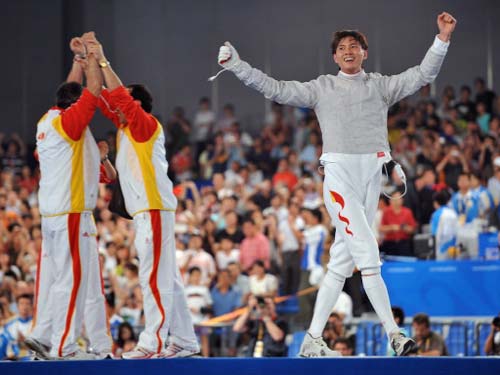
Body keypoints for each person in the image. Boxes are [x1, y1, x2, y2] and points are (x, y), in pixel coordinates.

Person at [216, 11, 457, 357]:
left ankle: (312, 339)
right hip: (339, 178)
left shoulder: (381, 86)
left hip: (372, 177)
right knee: (369, 255)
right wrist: (238, 66)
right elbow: (276, 89)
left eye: (355, 46)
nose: (348, 51)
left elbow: (423, 75)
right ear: (334, 56)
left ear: (364, 53)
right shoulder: (321, 88)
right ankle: (394, 333)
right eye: (342, 47)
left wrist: (442, 39)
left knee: (341, 264)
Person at [83, 33, 199, 359]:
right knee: (168, 279)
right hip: (147, 211)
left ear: (136, 104)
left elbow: (117, 96)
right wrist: (87, 59)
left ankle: (153, 343)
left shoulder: (145, 124)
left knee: (153, 278)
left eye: (125, 102)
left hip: (153, 208)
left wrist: (103, 57)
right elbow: (102, 98)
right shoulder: (125, 128)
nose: (116, 108)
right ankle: (186, 341)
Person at [25, 38, 107, 360]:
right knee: (72, 280)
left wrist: (76, 60)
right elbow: (94, 90)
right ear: (75, 107)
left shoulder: (48, 120)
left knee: (54, 280)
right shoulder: (71, 123)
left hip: (52, 214)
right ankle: (64, 346)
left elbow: (69, 92)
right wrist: (92, 57)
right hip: (71, 212)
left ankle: (43, 336)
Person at [379, 191, 417, 257]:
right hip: (390, 244)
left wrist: (405, 228)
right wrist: (392, 227)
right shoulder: (386, 212)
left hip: (403, 243)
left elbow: (413, 229)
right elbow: (381, 228)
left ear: (402, 200)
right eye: (395, 198)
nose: (397, 200)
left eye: (399, 198)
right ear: (390, 200)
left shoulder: (407, 212)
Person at [430, 190, 458, 260]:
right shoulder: (453, 213)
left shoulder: (436, 215)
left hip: (440, 248)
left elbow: (434, 233)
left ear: (435, 203)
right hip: (453, 246)